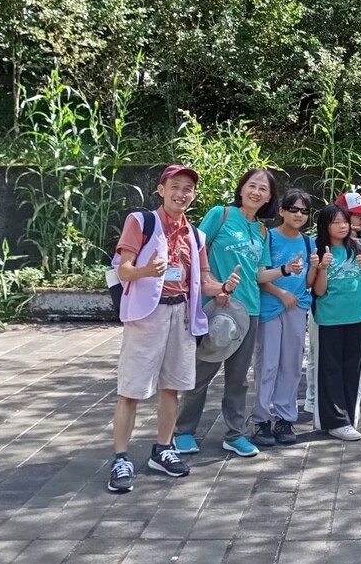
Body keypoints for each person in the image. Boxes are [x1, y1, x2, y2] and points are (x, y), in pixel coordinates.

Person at [107, 165, 239, 494]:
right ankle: (120, 458)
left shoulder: (195, 235)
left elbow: (203, 279)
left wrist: (223, 286)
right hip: (146, 316)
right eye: (175, 186)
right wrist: (146, 270)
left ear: (194, 195)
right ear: (161, 189)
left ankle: (163, 449)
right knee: (131, 390)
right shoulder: (141, 222)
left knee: (172, 387)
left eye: (187, 189)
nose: (181, 193)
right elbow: (123, 270)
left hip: (181, 314)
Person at [174, 168, 286, 458]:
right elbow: (194, 252)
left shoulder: (262, 231)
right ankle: (183, 431)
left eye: (263, 189)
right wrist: (214, 287)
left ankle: (235, 435)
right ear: (241, 188)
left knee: (238, 379)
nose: (256, 192)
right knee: (203, 371)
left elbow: (259, 274)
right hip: (218, 307)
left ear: (269, 197)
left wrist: (286, 270)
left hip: (250, 310)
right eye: (252, 185)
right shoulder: (221, 214)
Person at [250, 189, 317, 448]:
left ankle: (285, 418)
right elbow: (259, 276)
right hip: (270, 308)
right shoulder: (268, 237)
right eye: (293, 209)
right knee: (267, 365)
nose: (299, 214)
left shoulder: (308, 243)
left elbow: (308, 282)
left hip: (297, 308)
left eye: (304, 211)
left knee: (291, 364)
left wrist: (316, 266)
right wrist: (281, 293)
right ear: (281, 211)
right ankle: (261, 419)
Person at [311, 201, 361, 441]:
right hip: (330, 317)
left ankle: (349, 417)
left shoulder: (360, 246)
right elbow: (319, 291)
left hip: (359, 315)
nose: (342, 226)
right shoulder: (319, 249)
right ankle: (335, 421)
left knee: (353, 368)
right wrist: (322, 268)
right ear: (325, 226)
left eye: (344, 221)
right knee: (330, 369)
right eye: (336, 222)